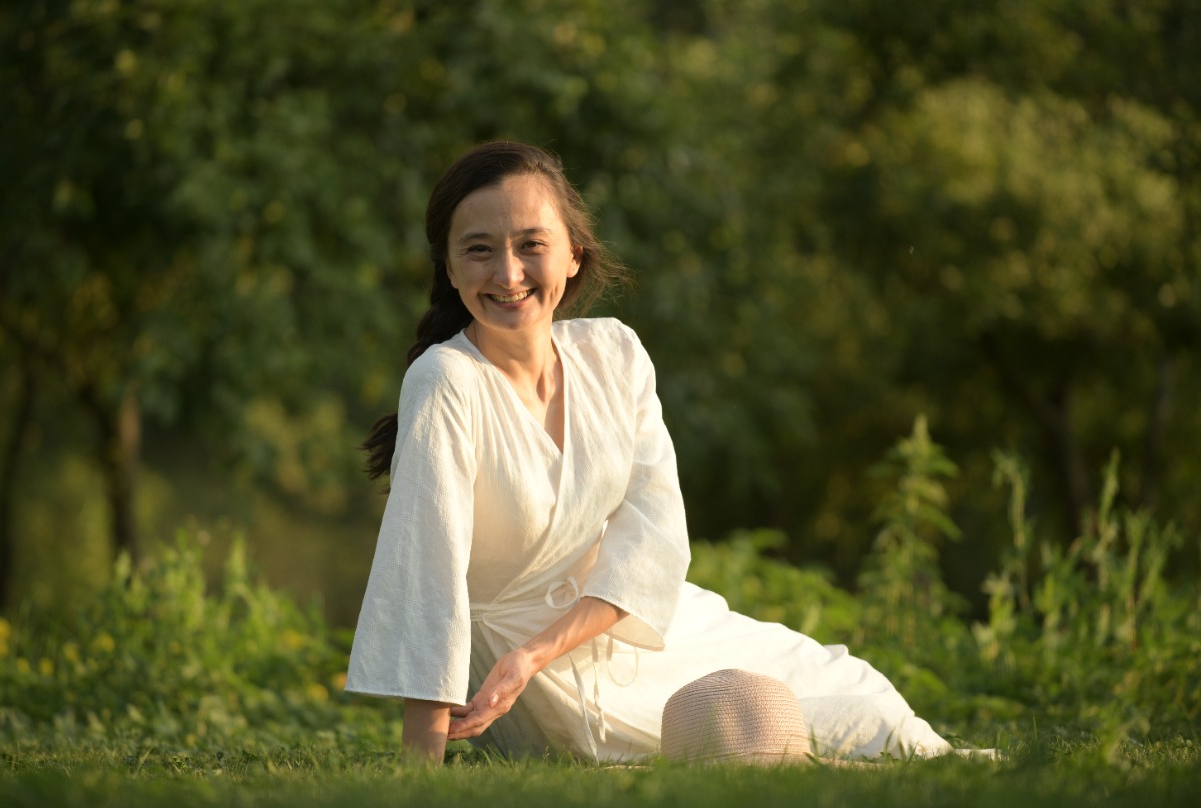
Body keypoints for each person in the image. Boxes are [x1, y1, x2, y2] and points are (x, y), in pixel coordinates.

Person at [345, 141, 957, 766]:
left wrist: (538, 651)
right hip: (525, 681)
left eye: (532, 245)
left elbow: (651, 536)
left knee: (859, 694)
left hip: (628, 624)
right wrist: (421, 769)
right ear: (449, 269)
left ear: (573, 255)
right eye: (479, 249)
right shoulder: (445, 380)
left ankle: (938, 761)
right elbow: (427, 574)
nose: (508, 274)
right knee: (744, 734)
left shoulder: (614, 353)